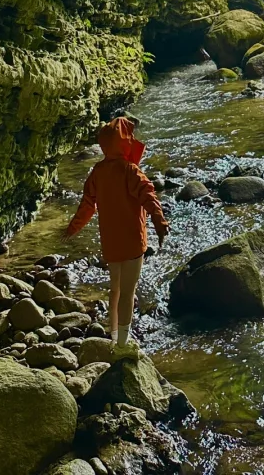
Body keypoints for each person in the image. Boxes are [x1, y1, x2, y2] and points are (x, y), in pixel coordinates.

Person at [64, 116, 169, 357]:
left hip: (110, 242)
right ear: (125, 142)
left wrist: (72, 229)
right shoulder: (131, 171)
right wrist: (160, 223)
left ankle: (112, 335)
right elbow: (149, 198)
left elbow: (87, 205)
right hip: (132, 241)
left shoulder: (97, 172)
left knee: (115, 289)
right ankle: (123, 343)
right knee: (128, 292)